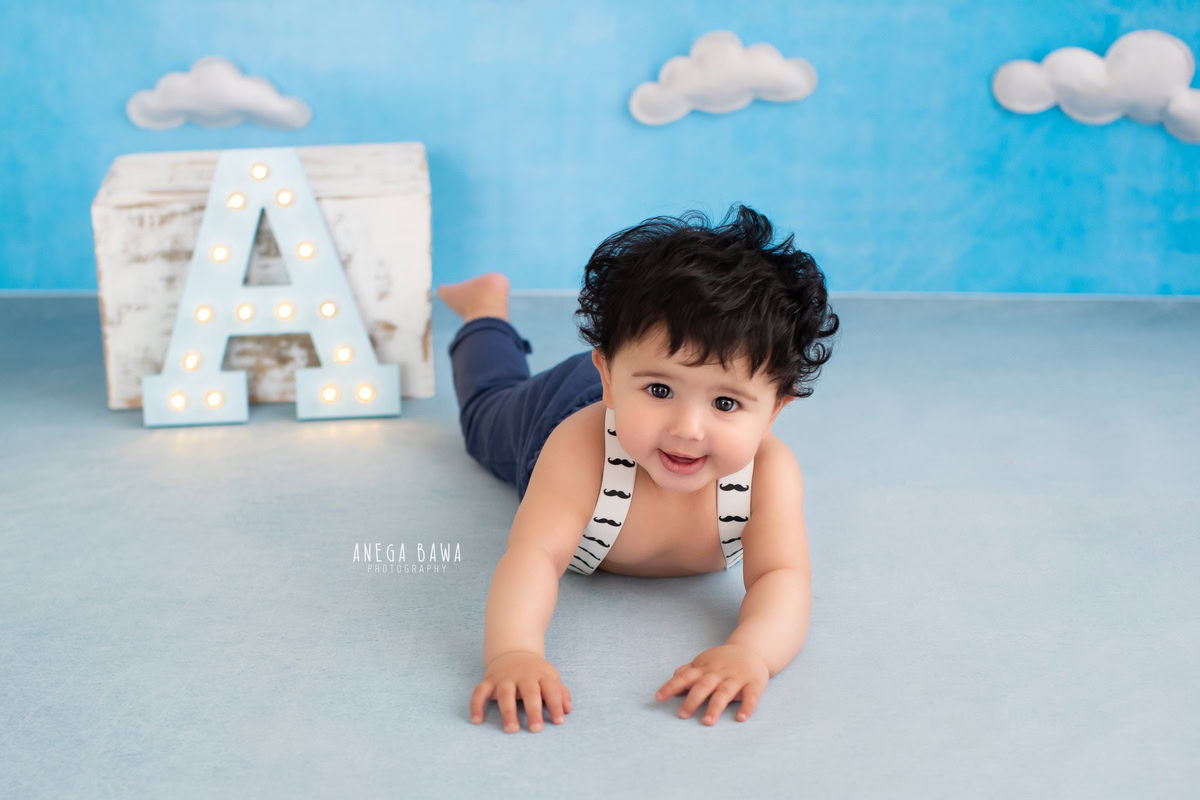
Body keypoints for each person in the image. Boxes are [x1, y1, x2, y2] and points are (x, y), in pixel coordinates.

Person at [437, 204, 840, 734]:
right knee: (486, 411)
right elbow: (534, 555)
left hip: (630, 414)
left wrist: (750, 652)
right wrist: (512, 652)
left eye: (725, 404)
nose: (688, 428)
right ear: (605, 373)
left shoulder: (768, 473)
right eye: (661, 390)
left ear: (775, 410)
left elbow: (781, 576)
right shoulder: (576, 450)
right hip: (565, 412)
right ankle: (484, 310)